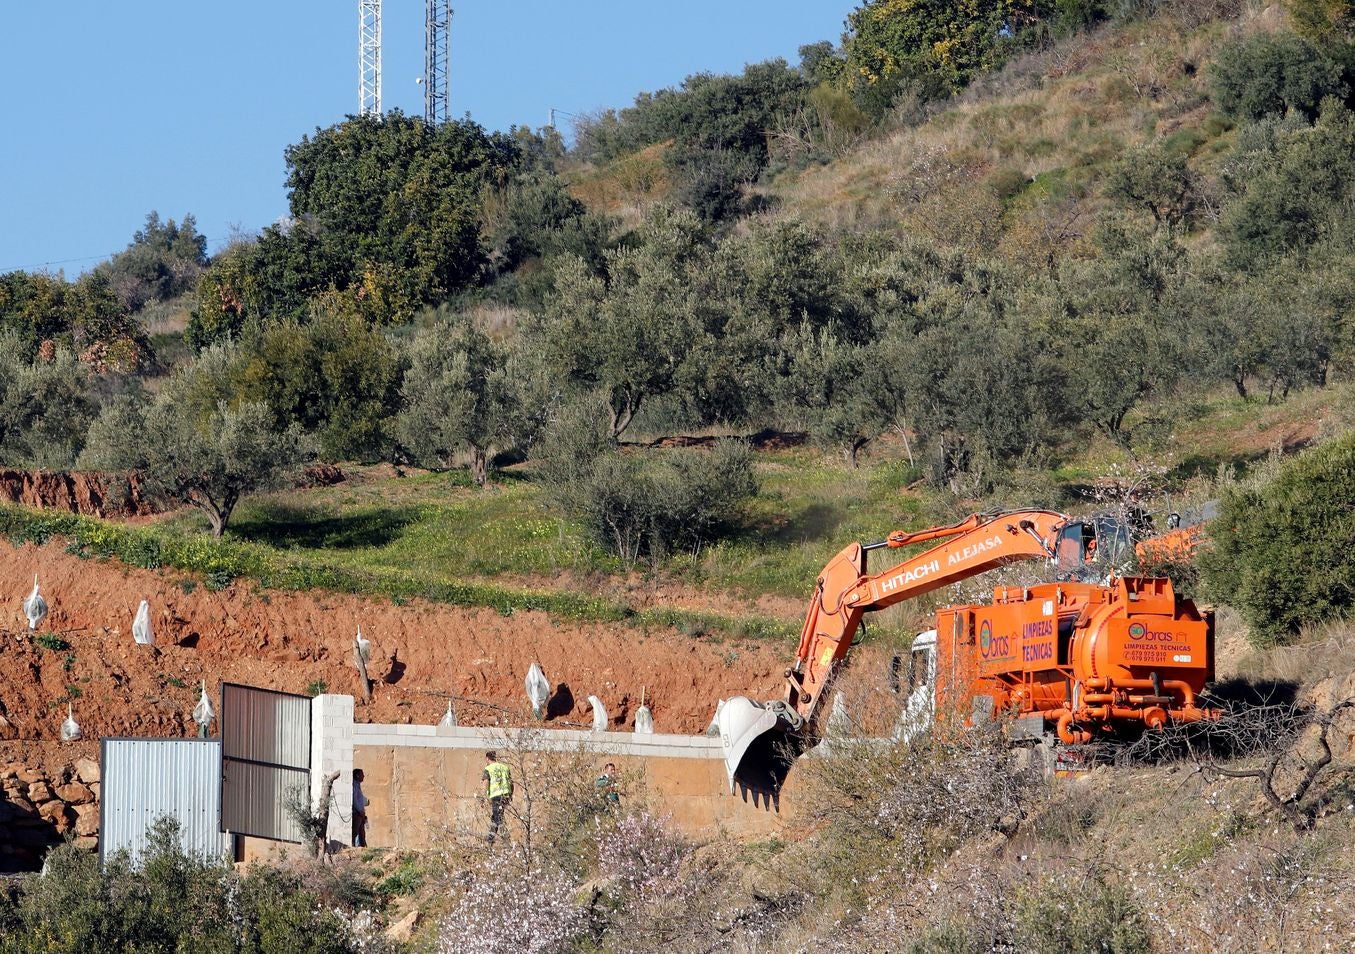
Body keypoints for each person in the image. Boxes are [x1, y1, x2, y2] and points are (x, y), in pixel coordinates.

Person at [482, 751, 513, 844]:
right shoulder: (505, 767)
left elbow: (486, 782)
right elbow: (511, 783)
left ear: (487, 758)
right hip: (505, 795)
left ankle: (505, 839)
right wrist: (510, 795)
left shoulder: (488, 769)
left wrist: (484, 795)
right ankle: (490, 838)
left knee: (498, 817)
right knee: (495, 816)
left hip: (496, 796)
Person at [351, 768, 368, 848]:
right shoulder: (354, 785)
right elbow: (354, 799)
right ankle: (355, 847)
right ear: (357, 775)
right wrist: (360, 810)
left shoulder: (357, 785)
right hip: (357, 812)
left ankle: (362, 847)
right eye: (362, 774)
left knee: (361, 832)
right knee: (356, 832)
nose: (363, 776)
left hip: (360, 813)